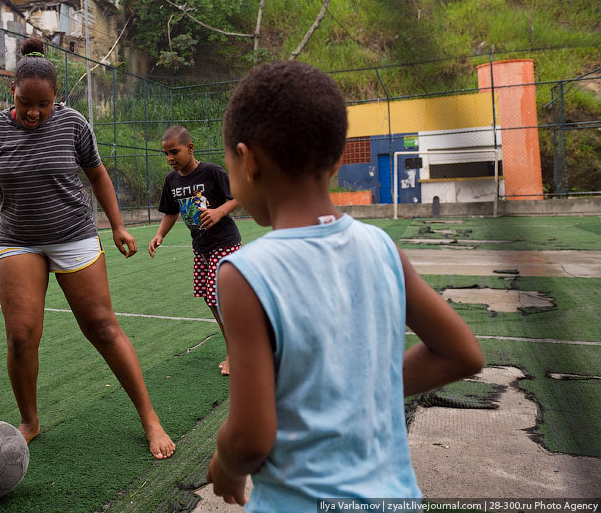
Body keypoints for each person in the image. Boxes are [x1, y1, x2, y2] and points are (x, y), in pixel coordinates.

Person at [206, 61, 484, 508]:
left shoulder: (243, 273)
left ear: (248, 160)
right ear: (337, 162)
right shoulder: (382, 247)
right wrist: (362, 392)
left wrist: (226, 465)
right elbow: (463, 353)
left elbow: (251, 438)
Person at [0, 38, 175, 460]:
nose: (33, 112)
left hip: (74, 234)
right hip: (18, 240)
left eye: (43, 104)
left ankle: (149, 417)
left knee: (102, 326)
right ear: (12, 92)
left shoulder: (74, 123)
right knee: (21, 337)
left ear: (56, 97)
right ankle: (29, 421)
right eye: (25, 103)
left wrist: (118, 226)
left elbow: (98, 175)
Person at [148, 126, 242, 375]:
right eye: (166, 154)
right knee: (210, 300)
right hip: (201, 247)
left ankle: (236, 352)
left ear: (190, 148)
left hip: (225, 243)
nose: (170, 158)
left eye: (174, 152)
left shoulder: (211, 172)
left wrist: (219, 211)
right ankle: (235, 346)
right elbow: (171, 212)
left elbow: (238, 196)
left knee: (217, 298)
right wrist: (160, 234)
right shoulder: (172, 180)